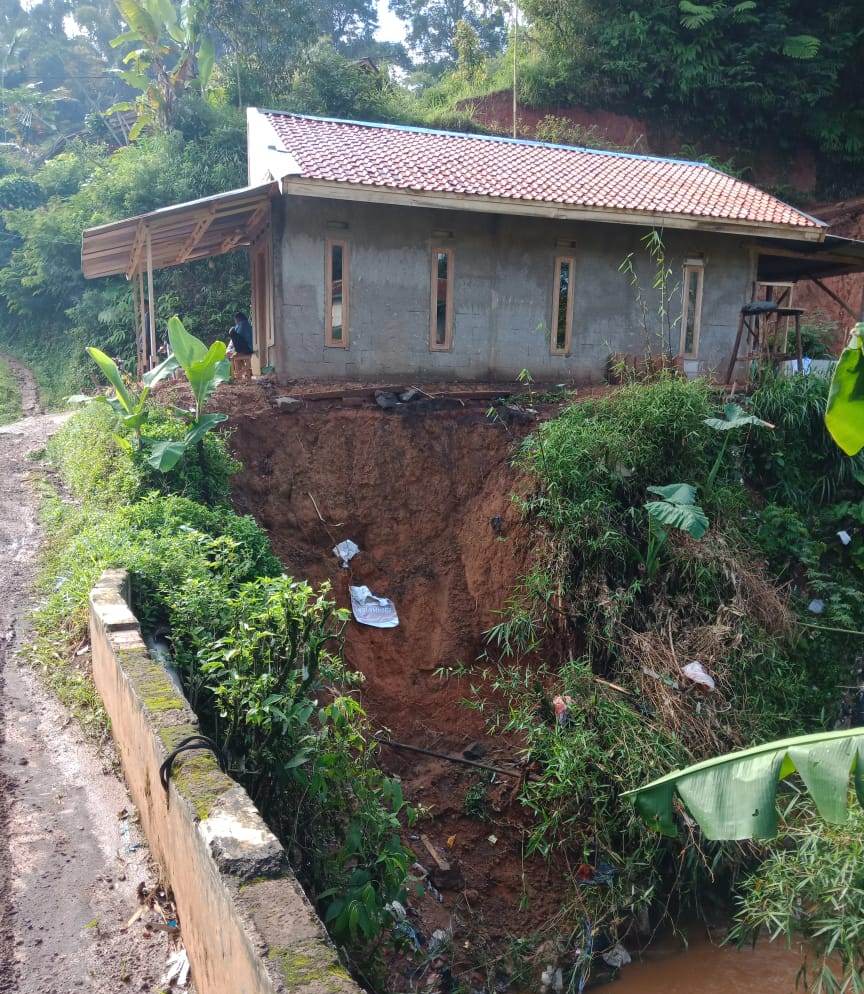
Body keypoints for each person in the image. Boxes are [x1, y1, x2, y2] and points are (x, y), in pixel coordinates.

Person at [228, 311, 254, 381]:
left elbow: (237, 339)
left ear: (238, 319)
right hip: (247, 348)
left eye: (235, 320)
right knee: (237, 358)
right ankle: (242, 374)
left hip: (247, 348)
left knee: (232, 332)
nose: (235, 321)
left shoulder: (242, 325)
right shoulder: (246, 324)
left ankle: (238, 376)